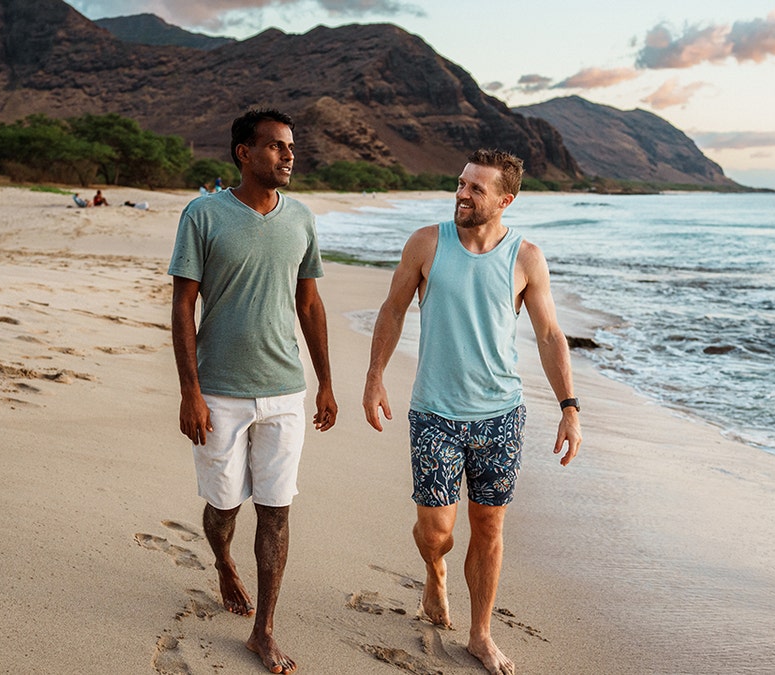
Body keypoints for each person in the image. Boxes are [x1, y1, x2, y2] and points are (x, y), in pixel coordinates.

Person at [362, 149, 582, 675]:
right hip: (435, 411)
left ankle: (481, 634)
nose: (461, 193)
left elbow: (550, 335)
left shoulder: (526, 257)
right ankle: (434, 572)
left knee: (489, 527)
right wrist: (374, 377)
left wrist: (570, 407)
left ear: (505, 200)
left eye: (475, 189)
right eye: (461, 183)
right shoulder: (427, 243)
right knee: (437, 531)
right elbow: (393, 310)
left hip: (501, 415)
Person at [169, 108, 337, 675]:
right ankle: (222, 562)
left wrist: (326, 384)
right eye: (276, 147)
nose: (289, 156)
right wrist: (190, 391)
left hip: (285, 391)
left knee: (276, 510)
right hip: (218, 391)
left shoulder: (302, 219)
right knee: (222, 507)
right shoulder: (204, 214)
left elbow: (309, 304)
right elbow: (182, 305)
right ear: (244, 152)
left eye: (291, 147)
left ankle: (263, 631)